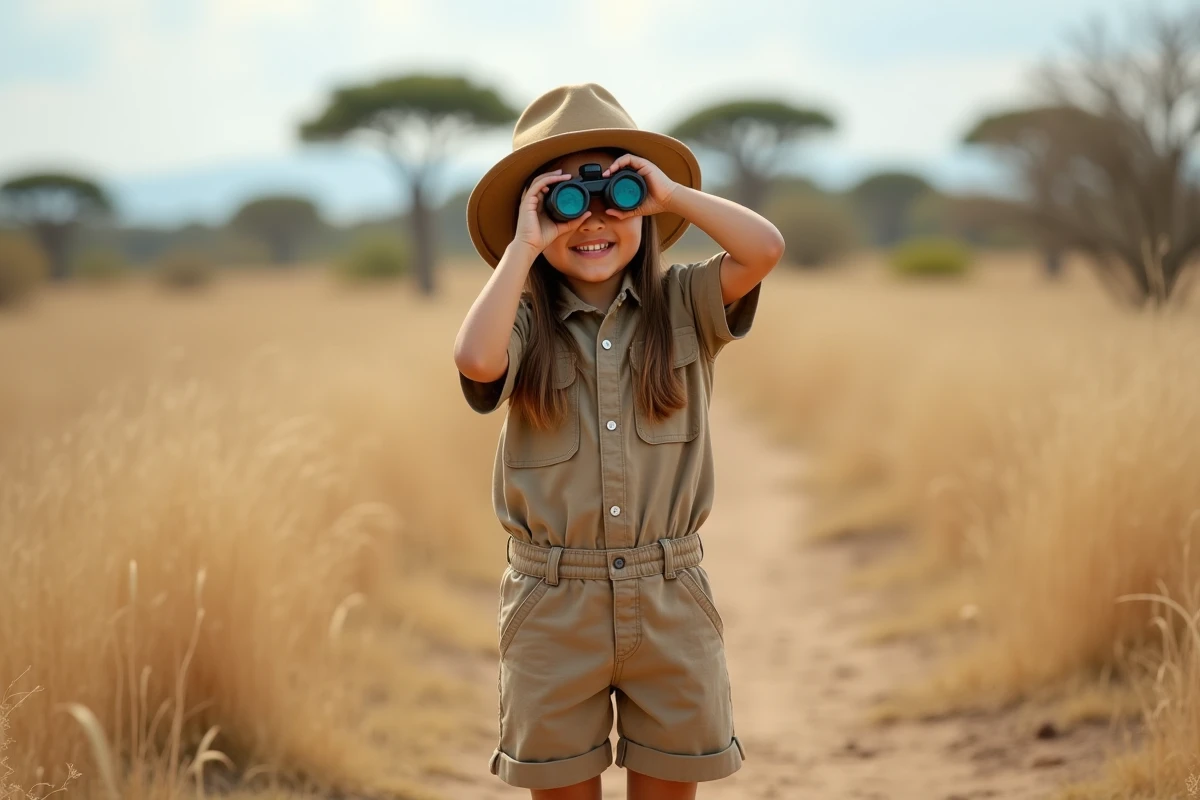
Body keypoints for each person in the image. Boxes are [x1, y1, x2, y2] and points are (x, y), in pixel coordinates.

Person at [453, 83, 784, 800]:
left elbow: (764, 248)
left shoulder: (684, 303)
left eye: (616, 196)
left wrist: (671, 196)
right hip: (553, 603)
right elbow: (476, 360)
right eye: (564, 202)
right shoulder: (524, 321)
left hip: (670, 593)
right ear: (533, 214)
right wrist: (523, 244)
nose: (592, 220)